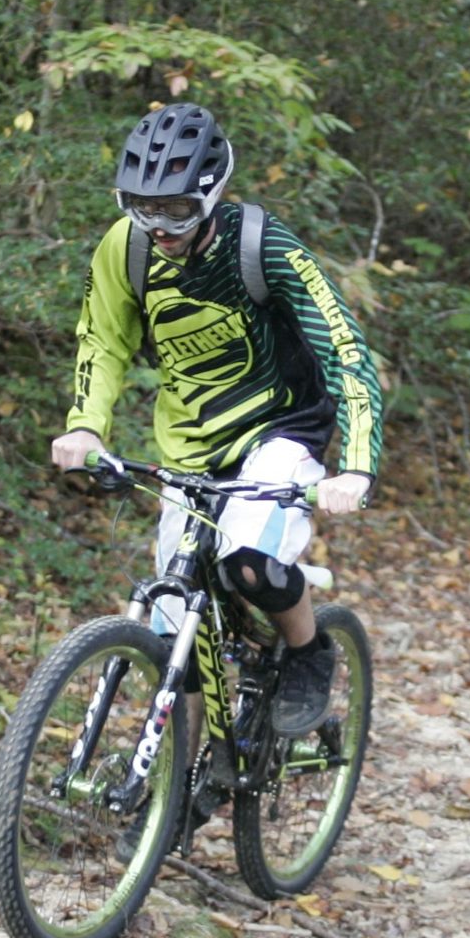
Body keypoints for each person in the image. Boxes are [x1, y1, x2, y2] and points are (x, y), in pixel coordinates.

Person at [48, 103, 382, 805]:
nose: (158, 228)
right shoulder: (127, 248)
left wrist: (354, 464)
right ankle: (182, 785)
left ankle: (306, 648)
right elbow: (101, 340)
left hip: (282, 430)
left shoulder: (263, 247)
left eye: (173, 210)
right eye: (141, 208)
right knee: (176, 624)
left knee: (248, 564)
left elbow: (344, 347)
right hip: (191, 448)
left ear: (210, 195)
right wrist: (86, 426)